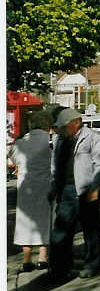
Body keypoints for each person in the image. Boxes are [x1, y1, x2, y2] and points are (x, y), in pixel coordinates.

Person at [49, 108, 100, 280]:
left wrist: (96, 187)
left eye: (64, 126)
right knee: (61, 231)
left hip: (86, 189)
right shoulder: (59, 139)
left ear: (76, 123)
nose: (61, 130)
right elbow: (55, 165)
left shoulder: (92, 137)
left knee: (90, 230)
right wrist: (53, 187)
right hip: (65, 190)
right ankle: (60, 268)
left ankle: (92, 265)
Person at [9, 109, 54, 272]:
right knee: (44, 219)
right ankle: (43, 257)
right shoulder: (49, 143)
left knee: (24, 221)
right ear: (46, 125)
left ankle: (27, 259)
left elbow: (13, 159)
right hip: (44, 186)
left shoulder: (20, 143)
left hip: (25, 187)